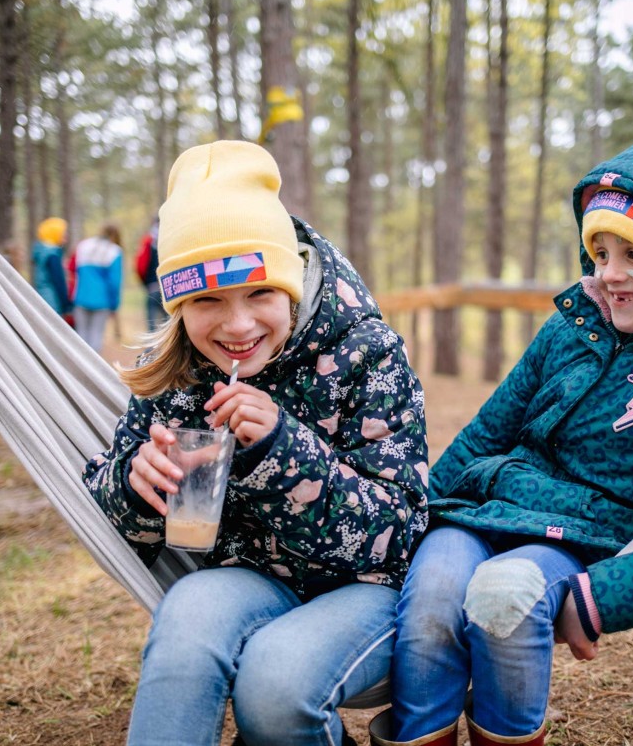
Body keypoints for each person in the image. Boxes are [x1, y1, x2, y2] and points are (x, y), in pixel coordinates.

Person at [374, 135, 633, 746]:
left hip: (573, 538)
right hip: (478, 511)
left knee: (504, 599)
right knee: (431, 599)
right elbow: (486, 434)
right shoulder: (570, 329)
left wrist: (596, 600)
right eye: (600, 252)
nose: (609, 275)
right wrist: (399, 525)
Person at [82, 140, 429, 746]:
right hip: (247, 577)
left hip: (369, 592)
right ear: (179, 304)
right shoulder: (174, 371)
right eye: (207, 300)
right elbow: (125, 520)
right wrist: (136, 486)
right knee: (184, 624)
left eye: (259, 293)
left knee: (274, 685)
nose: (237, 326)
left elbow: (397, 527)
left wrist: (280, 448)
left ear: (290, 286)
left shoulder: (367, 353)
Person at [72, 222, 124, 353]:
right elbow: (115, 281)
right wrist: (114, 304)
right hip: (102, 300)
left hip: (81, 296)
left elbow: (73, 269)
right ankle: (91, 369)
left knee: (80, 334)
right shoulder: (114, 251)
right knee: (96, 334)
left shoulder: (84, 246)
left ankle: (77, 366)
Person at [31, 216, 72, 319]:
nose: (66, 236)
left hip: (41, 297)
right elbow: (58, 281)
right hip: (53, 302)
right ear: (54, 233)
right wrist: (66, 305)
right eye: (63, 233)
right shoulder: (52, 254)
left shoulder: (40, 251)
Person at [135, 215, 164, 332]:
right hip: (169, 287)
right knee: (169, 325)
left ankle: (152, 349)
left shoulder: (148, 240)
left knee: (152, 326)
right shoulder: (171, 238)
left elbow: (140, 265)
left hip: (152, 287)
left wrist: (145, 283)